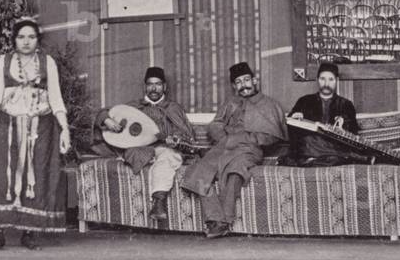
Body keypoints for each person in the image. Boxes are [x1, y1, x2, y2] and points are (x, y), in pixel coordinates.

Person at [0, 19, 71, 251]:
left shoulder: (48, 63)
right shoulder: (4, 62)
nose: (26, 42)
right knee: (0, 176)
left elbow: (56, 98)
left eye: (31, 37)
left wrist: (65, 129)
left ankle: (29, 233)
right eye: (21, 37)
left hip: (41, 128)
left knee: (35, 178)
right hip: (5, 127)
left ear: (38, 40)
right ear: (14, 40)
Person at [180, 62, 287, 239]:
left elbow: (273, 136)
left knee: (235, 172)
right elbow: (215, 124)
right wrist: (224, 138)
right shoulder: (230, 103)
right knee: (199, 172)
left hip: (249, 150)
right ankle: (218, 220)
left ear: (254, 80)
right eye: (238, 82)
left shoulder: (269, 104)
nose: (243, 85)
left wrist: (247, 138)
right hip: (224, 146)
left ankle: (222, 221)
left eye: (246, 80)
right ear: (234, 86)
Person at [96, 66, 196, 224]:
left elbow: (186, 134)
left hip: (165, 148)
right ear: (145, 87)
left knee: (168, 157)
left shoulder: (173, 108)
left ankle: (159, 203)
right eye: (150, 84)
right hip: (140, 148)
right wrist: (107, 120)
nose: (154, 88)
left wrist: (175, 138)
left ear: (165, 87)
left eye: (158, 84)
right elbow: (104, 112)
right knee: (141, 154)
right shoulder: (134, 106)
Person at [287, 62, 366, 166]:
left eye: (331, 79)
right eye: (323, 79)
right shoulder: (304, 101)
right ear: (317, 80)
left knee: (336, 147)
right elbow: (292, 131)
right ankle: (326, 159)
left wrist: (343, 126)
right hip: (310, 145)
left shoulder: (346, 104)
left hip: (335, 145)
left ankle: (314, 161)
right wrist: (294, 119)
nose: (326, 84)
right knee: (308, 141)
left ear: (337, 81)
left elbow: (353, 133)